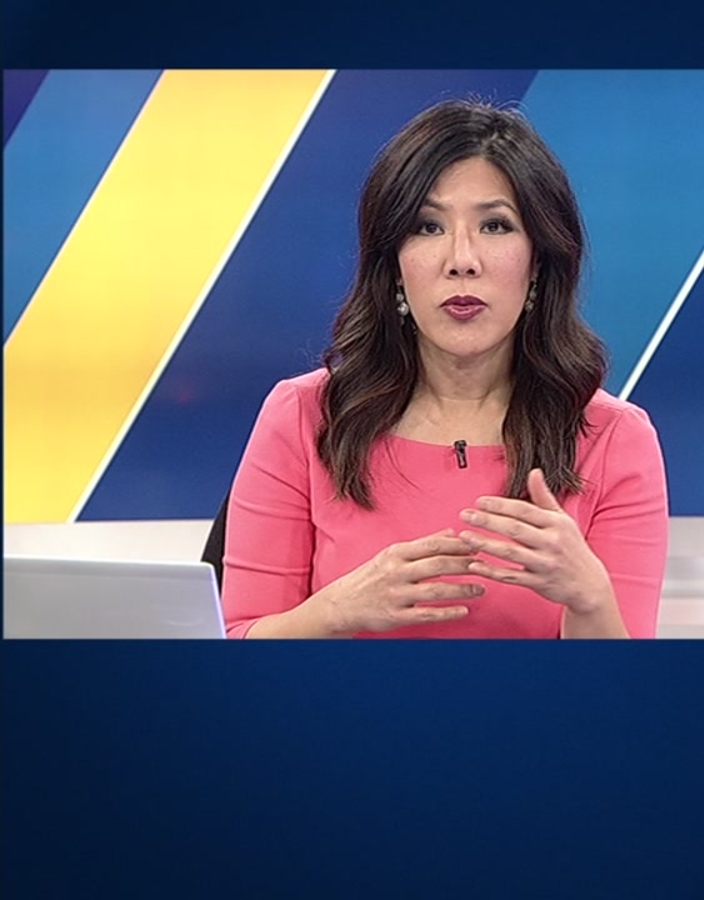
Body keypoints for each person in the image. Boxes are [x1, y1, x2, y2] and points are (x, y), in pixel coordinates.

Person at [222, 99, 668, 639]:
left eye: (495, 225)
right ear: (393, 264)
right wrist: (334, 612)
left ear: (538, 261)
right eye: (428, 227)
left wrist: (589, 599)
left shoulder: (614, 439)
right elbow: (235, 644)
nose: (462, 259)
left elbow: (627, 685)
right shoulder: (303, 416)